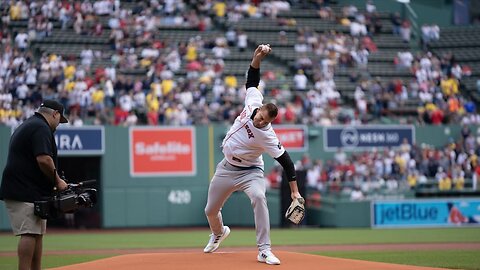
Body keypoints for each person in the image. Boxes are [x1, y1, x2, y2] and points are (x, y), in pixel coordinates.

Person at [203, 44, 303, 265]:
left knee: (259, 197)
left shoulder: (267, 135)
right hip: (227, 167)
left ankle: (264, 250)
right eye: (260, 117)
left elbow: (286, 161)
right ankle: (218, 233)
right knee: (210, 210)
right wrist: (257, 57)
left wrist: (294, 192)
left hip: (250, 172)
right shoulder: (253, 103)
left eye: (265, 121)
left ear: (270, 122)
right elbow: (252, 80)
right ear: (260, 109)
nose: (260, 121)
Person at [0, 100, 69, 270]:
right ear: (55, 114)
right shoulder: (40, 127)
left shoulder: (32, 124)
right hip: (23, 190)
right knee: (30, 233)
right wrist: (58, 182)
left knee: (37, 234)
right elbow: (44, 159)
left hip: (29, 190)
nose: (58, 125)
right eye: (59, 120)